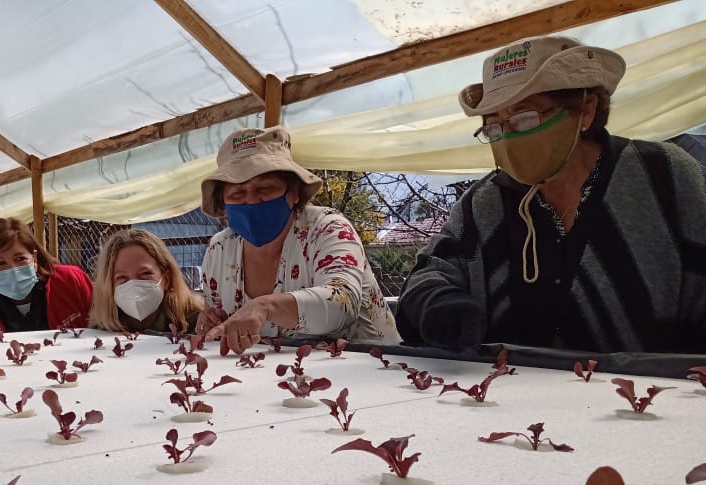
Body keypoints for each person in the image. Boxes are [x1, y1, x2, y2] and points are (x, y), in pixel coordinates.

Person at [396, 35, 706, 353]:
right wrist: (440, 303)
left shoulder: (662, 173)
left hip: (648, 397)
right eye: (494, 127)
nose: (508, 138)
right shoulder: (484, 202)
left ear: (585, 110)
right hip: (507, 396)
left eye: (524, 117)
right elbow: (431, 272)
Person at [195, 126, 398, 354]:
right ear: (223, 204)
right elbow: (219, 315)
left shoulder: (328, 228)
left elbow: (343, 302)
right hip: (280, 377)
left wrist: (264, 306)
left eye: (265, 188)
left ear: (294, 193)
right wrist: (213, 324)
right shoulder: (219, 248)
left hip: (372, 369)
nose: (251, 201)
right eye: (237, 194)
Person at [0, 217, 93, 334]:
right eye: (0, 263)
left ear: (35, 258)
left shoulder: (70, 281)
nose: (13, 269)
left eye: (20, 258)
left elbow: (102, 323)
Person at [89, 228, 203, 333]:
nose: (133, 285)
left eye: (145, 274)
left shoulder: (197, 321)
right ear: (109, 285)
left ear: (167, 279)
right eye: (121, 277)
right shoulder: (102, 327)